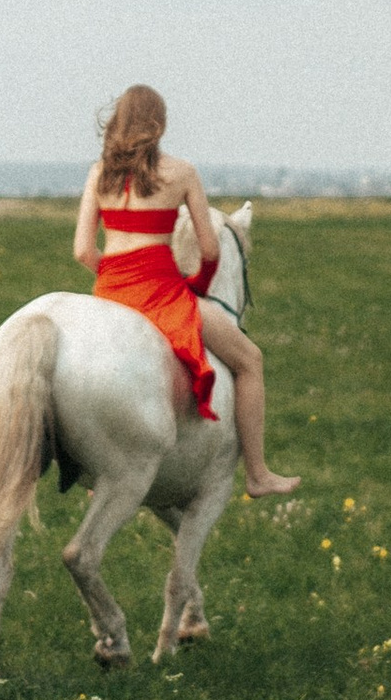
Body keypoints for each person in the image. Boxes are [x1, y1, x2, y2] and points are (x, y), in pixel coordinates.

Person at [73, 84, 300, 495]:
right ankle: (258, 474)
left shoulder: (98, 172)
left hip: (110, 292)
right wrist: (192, 286)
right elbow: (210, 248)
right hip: (159, 293)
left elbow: (82, 250)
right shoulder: (182, 173)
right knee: (250, 360)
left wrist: (116, 274)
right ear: (159, 124)